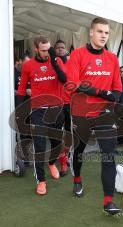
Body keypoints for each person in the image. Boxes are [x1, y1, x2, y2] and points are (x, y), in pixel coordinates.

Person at [66, 17, 123, 216]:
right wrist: (101, 92)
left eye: (106, 33)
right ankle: (77, 180)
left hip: (104, 113)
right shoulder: (77, 55)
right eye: (100, 32)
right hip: (81, 111)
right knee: (80, 150)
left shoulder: (113, 58)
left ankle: (108, 201)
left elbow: (117, 88)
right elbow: (73, 83)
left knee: (109, 155)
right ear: (91, 32)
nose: (103, 36)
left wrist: (113, 96)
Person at [16, 36, 66, 195]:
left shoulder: (56, 60)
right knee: (39, 146)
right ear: (36, 49)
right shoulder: (28, 66)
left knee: (57, 143)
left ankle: (52, 163)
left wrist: (54, 62)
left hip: (56, 109)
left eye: (48, 49)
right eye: (43, 50)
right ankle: (41, 181)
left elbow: (64, 79)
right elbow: (22, 89)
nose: (46, 53)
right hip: (38, 110)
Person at [54, 40, 71, 177]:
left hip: (70, 103)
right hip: (57, 103)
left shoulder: (71, 62)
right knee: (58, 134)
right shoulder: (53, 62)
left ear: (66, 49)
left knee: (69, 133)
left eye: (62, 47)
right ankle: (63, 161)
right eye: (58, 47)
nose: (60, 49)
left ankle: (66, 157)